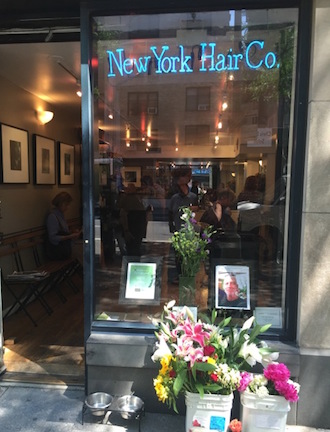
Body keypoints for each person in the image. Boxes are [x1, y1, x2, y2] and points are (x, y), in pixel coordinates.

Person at [46, 192, 81, 261]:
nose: (67, 207)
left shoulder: (60, 215)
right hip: (59, 251)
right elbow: (53, 238)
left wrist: (71, 232)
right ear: (61, 204)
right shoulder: (52, 217)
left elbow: (62, 231)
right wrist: (69, 236)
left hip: (67, 246)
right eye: (66, 205)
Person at [168, 167, 198, 233]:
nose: (189, 178)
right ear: (180, 177)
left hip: (189, 227)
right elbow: (170, 212)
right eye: (187, 176)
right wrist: (171, 226)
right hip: (177, 226)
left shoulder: (192, 195)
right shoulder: (173, 193)